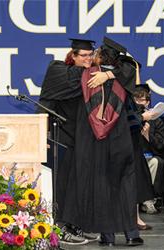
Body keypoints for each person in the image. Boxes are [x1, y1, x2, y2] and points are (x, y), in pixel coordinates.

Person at [59, 37, 144, 247]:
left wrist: (106, 73)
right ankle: (132, 234)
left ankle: (107, 237)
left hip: (92, 138)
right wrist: (111, 73)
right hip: (119, 136)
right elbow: (133, 66)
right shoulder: (123, 76)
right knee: (123, 182)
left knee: (102, 185)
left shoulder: (84, 75)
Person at [38, 38, 100, 245]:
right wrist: (40, 134)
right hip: (61, 139)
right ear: (73, 56)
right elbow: (46, 102)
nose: (88, 59)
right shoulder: (60, 74)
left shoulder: (94, 76)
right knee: (62, 185)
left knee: (78, 185)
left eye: (91, 55)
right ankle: (60, 226)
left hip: (82, 139)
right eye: (83, 55)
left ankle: (74, 223)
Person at [133, 84, 164, 215]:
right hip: (133, 157)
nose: (138, 103)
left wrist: (148, 136)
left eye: (141, 100)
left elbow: (161, 145)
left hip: (149, 157)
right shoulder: (131, 119)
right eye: (135, 100)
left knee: (156, 162)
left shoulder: (156, 121)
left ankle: (148, 200)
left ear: (147, 102)